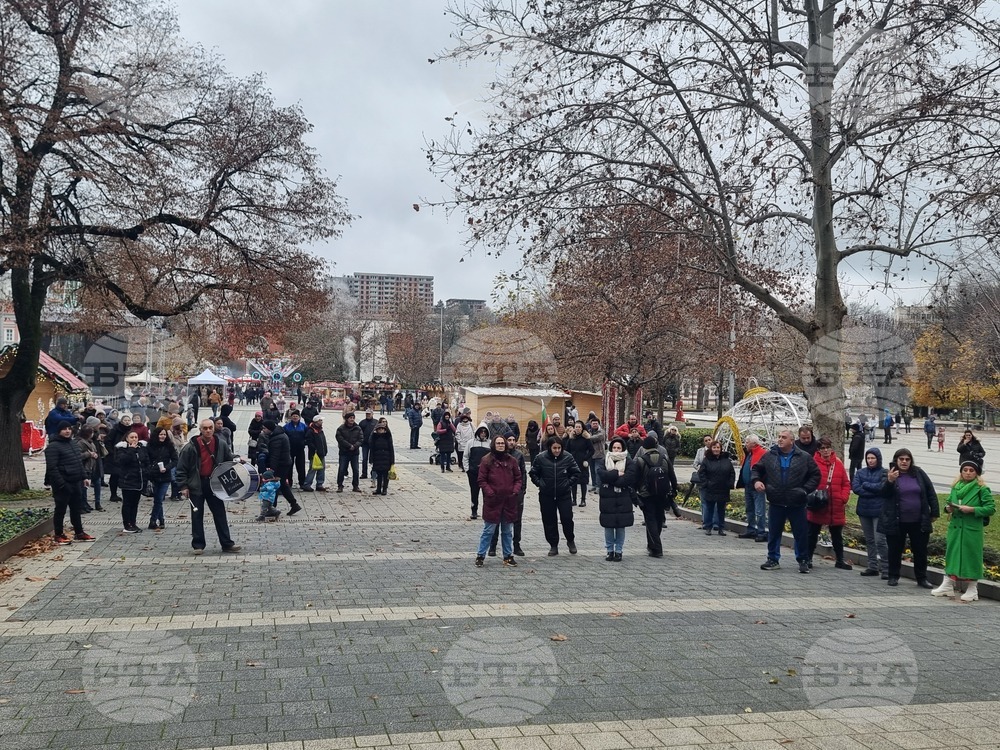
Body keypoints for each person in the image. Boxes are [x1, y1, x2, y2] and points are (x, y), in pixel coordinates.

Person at [754, 429, 821, 573]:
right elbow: (757, 469)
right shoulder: (769, 456)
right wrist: (756, 481)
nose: (780, 439)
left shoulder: (804, 457)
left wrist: (804, 490)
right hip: (776, 501)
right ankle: (772, 559)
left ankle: (803, 560)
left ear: (792, 440)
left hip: (796, 502)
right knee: (774, 532)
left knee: (800, 533)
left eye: (784, 437)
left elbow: (815, 475)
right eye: (779, 437)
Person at [932, 461, 996, 602]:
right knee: (952, 555)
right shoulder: (956, 487)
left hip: (971, 530)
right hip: (955, 528)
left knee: (971, 556)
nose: (967, 472)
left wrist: (972, 509)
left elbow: (991, 508)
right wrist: (948, 508)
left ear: (976, 473)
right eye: (965, 470)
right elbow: (949, 501)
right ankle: (948, 584)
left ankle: (973, 589)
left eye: (971, 470)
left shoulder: (982, 489)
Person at [176, 420, 242, 554]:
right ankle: (198, 545)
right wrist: (183, 486)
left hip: (214, 484)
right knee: (196, 515)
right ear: (200, 429)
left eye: (210, 428)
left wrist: (237, 459)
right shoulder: (190, 447)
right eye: (205, 428)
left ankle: (227, 543)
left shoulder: (220, 443)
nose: (208, 430)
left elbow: (228, 458)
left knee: (220, 514)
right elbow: (181, 468)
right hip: (196, 484)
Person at [880, 447, 939, 588]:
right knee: (895, 550)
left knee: (920, 550)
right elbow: (883, 494)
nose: (904, 462)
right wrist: (890, 481)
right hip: (897, 520)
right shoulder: (889, 474)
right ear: (896, 460)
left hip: (918, 521)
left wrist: (934, 512)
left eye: (907, 459)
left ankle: (922, 578)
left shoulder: (918, 473)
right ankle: (893, 576)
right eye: (901, 459)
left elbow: (930, 492)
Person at [475, 436, 523, 567]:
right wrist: (490, 492)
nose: (501, 445)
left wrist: (515, 491)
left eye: (503, 443)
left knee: (507, 531)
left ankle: (508, 555)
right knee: (489, 530)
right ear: (494, 445)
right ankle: (480, 555)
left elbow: (519, 478)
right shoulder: (486, 460)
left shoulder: (512, 461)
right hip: (493, 501)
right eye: (498, 443)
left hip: (509, 501)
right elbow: (481, 480)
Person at [805, 437, 853, 570]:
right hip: (818, 504)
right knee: (812, 533)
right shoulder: (812, 463)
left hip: (836, 505)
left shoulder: (837, 463)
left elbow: (846, 483)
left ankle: (840, 560)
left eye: (827, 447)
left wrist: (843, 498)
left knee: (837, 535)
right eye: (822, 448)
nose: (825, 451)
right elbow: (807, 481)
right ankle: (808, 558)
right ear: (818, 450)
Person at [45, 421, 95, 544]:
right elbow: (52, 468)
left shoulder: (72, 443)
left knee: (76, 509)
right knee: (60, 510)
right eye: (64, 429)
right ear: (59, 431)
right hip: (62, 484)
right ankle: (58, 534)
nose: (67, 431)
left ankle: (79, 532)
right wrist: (61, 483)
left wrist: (84, 477)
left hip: (76, 481)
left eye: (69, 428)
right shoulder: (53, 446)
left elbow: (78, 462)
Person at [529, 437, 580, 555]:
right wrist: (540, 483)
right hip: (547, 495)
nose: (557, 450)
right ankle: (553, 544)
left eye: (559, 448)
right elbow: (533, 473)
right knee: (549, 520)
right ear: (549, 448)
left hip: (564, 494)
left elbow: (576, 472)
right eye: (554, 448)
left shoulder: (568, 457)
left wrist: (568, 483)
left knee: (567, 518)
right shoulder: (541, 458)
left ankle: (570, 540)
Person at [852, 448, 889, 579]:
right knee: (870, 540)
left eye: (873, 458)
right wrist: (872, 490)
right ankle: (872, 566)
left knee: (880, 540)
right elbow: (856, 488)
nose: (870, 460)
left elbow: (882, 488)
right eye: (868, 458)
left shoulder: (884, 472)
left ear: (878, 459)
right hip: (864, 510)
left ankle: (886, 568)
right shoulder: (861, 472)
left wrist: (866, 485)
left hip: (879, 511)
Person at [597, 436, 636, 561]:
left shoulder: (628, 461)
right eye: (614, 447)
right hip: (607, 499)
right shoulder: (605, 460)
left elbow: (629, 478)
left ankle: (619, 550)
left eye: (619, 447)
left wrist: (612, 478)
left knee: (620, 526)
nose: (616, 450)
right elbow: (601, 475)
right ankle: (609, 550)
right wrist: (616, 474)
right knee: (608, 526)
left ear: (623, 448)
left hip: (623, 498)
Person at [634, 435, 672, 557]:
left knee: (650, 521)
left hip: (646, 495)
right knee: (659, 519)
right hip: (662, 494)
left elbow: (636, 479)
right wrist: (673, 491)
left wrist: (635, 494)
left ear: (644, 447)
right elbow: (672, 476)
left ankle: (656, 547)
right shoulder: (664, 458)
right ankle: (652, 544)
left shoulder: (641, 460)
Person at [490, 435, 527, 556]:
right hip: (499, 493)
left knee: (517, 520)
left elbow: (522, 474)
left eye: (513, 440)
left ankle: (516, 545)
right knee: (496, 519)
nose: (511, 442)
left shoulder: (518, 455)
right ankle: (493, 546)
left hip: (516, 493)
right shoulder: (495, 456)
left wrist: (522, 489)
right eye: (509, 440)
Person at [262, 420, 303, 513]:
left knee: (275, 484)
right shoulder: (277, 435)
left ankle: (272, 507)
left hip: (281, 464)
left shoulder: (277, 438)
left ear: (269, 429)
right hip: (284, 463)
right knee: (282, 484)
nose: (263, 430)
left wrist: (272, 469)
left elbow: (275, 455)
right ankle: (294, 504)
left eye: (264, 428)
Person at [115, 430, 150, 534]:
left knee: (135, 503)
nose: (134, 439)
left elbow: (146, 460)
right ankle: (127, 524)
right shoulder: (122, 449)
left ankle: (133, 522)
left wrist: (147, 472)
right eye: (132, 437)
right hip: (128, 479)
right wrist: (130, 450)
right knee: (127, 503)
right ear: (127, 439)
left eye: (136, 437)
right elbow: (122, 461)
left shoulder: (141, 448)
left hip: (139, 480)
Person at [698, 440, 735, 536]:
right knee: (710, 509)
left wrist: (730, 483)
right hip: (711, 488)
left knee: (721, 510)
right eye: (714, 447)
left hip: (723, 488)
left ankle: (721, 528)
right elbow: (702, 473)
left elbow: (732, 472)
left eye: (718, 447)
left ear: (721, 449)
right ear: (711, 448)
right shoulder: (707, 460)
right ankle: (708, 527)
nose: (716, 449)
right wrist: (706, 483)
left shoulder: (726, 460)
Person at [736, 434, 767, 542]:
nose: (745, 444)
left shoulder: (763, 453)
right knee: (749, 509)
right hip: (748, 485)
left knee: (759, 510)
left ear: (754, 444)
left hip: (757, 486)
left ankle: (761, 531)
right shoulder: (749, 453)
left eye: (747, 442)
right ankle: (751, 529)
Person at [145, 427, 177, 530]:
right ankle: (161, 520)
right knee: (157, 499)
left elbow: (175, 460)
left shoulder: (169, 446)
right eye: (160, 434)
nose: (162, 436)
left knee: (159, 498)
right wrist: (150, 468)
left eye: (164, 434)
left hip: (165, 476)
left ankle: (153, 520)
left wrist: (167, 467)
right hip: (154, 475)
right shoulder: (150, 446)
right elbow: (146, 459)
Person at [564, 421, 594, 507]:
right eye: (576, 427)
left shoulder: (586, 438)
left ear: (582, 428)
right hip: (573, 462)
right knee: (573, 482)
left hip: (582, 463)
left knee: (583, 482)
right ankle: (574, 500)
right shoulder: (571, 438)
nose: (577, 428)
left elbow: (592, 450)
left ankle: (583, 500)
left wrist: (585, 458)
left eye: (579, 427)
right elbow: (567, 450)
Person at [466, 426, 492, 519]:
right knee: (474, 492)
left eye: (485, 432)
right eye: (481, 432)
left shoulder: (490, 443)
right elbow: (466, 456)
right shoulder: (471, 443)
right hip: (473, 472)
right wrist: (467, 469)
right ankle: (474, 511)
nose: (483, 433)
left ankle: (487, 512)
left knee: (487, 493)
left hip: (486, 474)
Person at [335, 412, 364, 493]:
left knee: (356, 470)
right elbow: (340, 439)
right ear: (346, 419)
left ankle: (355, 486)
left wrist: (354, 446)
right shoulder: (341, 428)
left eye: (353, 418)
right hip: (344, 452)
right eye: (350, 418)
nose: (352, 419)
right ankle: (340, 485)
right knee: (342, 469)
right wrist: (349, 446)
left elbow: (361, 439)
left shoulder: (358, 428)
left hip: (354, 453)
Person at [369, 419, 395, 495]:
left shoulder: (388, 437)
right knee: (379, 475)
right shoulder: (374, 437)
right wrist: (371, 459)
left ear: (384, 430)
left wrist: (392, 460)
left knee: (386, 475)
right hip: (377, 458)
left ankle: (384, 489)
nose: (381, 430)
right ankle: (378, 489)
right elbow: (372, 449)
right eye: (379, 429)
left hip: (386, 458)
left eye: (382, 429)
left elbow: (391, 449)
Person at [303, 416, 328, 492]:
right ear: (316, 422)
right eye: (320, 420)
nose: (322, 422)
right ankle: (307, 484)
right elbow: (309, 442)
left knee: (321, 468)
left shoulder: (320, 430)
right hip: (315, 454)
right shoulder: (311, 431)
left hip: (321, 453)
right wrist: (315, 450)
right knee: (313, 469)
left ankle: (319, 484)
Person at [284, 410, 309, 488]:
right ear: (291, 417)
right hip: (289, 449)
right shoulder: (286, 426)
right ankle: (289, 482)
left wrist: (304, 442)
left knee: (301, 466)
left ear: (299, 417)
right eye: (293, 416)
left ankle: (302, 483)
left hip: (300, 449)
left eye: (296, 416)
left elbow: (308, 436)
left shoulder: (303, 426)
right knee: (289, 466)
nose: (295, 417)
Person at [662, 425, 681, 497]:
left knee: (671, 468)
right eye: (672, 429)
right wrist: (665, 449)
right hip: (666, 454)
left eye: (674, 430)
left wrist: (675, 451)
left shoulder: (677, 438)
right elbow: (662, 443)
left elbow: (678, 446)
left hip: (672, 455)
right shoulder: (666, 436)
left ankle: (669, 479)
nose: (673, 431)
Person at [587, 418, 606, 490]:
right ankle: (594, 485)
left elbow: (597, 437)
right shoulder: (589, 431)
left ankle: (599, 486)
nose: (594, 425)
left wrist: (588, 437)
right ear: (591, 424)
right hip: (591, 454)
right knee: (592, 471)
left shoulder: (601, 432)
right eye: (593, 423)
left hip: (599, 454)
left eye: (596, 423)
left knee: (597, 471)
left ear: (598, 424)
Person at [358, 409, 377, 479]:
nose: (368, 415)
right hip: (365, 444)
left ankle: (374, 473)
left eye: (369, 414)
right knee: (364, 459)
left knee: (374, 459)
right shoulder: (362, 423)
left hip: (373, 444)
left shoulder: (376, 422)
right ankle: (364, 473)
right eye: (367, 414)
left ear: (372, 414)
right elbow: (359, 433)